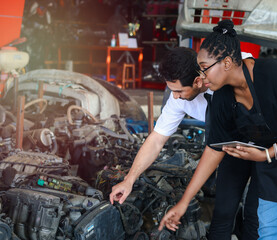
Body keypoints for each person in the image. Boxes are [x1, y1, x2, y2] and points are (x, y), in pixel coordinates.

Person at [159, 20, 277, 240]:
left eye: (204, 68)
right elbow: (213, 149)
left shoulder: (274, 72)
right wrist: (183, 203)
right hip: (276, 141)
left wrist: (267, 153)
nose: (201, 76)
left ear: (227, 63)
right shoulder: (221, 96)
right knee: (268, 229)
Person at [109, 47, 258, 239]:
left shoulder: (229, 74)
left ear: (198, 81)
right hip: (229, 147)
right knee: (222, 214)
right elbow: (156, 139)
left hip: (264, 146)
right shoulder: (177, 98)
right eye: (172, 91)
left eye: (179, 90)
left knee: (255, 216)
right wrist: (129, 180)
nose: (176, 96)